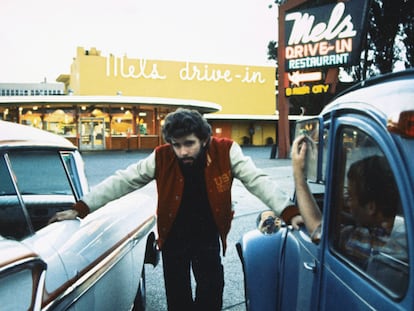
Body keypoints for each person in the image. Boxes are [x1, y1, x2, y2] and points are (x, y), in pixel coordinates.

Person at [50, 108, 298, 311]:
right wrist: (82, 207)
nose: (182, 151)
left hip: (208, 235)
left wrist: (288, 211)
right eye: (176, 145)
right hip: (173, 238)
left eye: (189, 144)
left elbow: (257, 180)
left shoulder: (225, 151)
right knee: (178, 300)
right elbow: (124, 180)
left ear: (204, 139)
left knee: (211, 294)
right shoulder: (162, 156)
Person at [291, 135, 402, 267]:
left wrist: (298, 174)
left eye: (350, 197)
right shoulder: (399, 230)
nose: (347, 203)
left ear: (371, 207)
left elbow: (318, 231)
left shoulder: (367, 243)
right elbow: (357, 219)